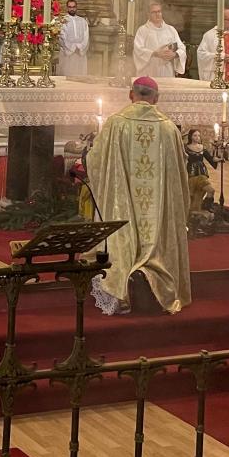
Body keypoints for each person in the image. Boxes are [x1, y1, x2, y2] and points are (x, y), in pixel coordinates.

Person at [87, 77, 191, 316]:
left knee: (122, 231)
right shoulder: (168, 128)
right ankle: (157, 278)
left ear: (130, 94)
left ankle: (121, 284)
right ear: (156, 98)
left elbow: (95, 163)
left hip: (122, 203)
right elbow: (180, 177)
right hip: (157, 211)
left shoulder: (115, 124)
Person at [196, 7, 229, 83]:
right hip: (215, 77)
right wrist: (221, 57)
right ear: (221, 20)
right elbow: (202, 55)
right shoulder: (210, 35)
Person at [132, 2, 186, 78]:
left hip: (167, 71)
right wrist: (155, 53)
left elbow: (182, 48)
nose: (157, 14)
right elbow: (138, 50)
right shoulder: (142, 30)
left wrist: (175, 54)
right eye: (154, 12)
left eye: (159, 11)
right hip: (149, 71)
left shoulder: (171, 30)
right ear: (148, 14)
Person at [57, 3, 89, 78]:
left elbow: (86, 36)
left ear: (76, 7)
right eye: (70, 7)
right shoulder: (63, 21)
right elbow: (62, 36)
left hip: (80, 53)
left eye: (74, 7)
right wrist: (72, 48)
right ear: (67, 8)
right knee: (67, 77)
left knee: (81, 77)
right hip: (67, 53)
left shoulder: (82, 21)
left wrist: (80, 47)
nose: (72, 9)